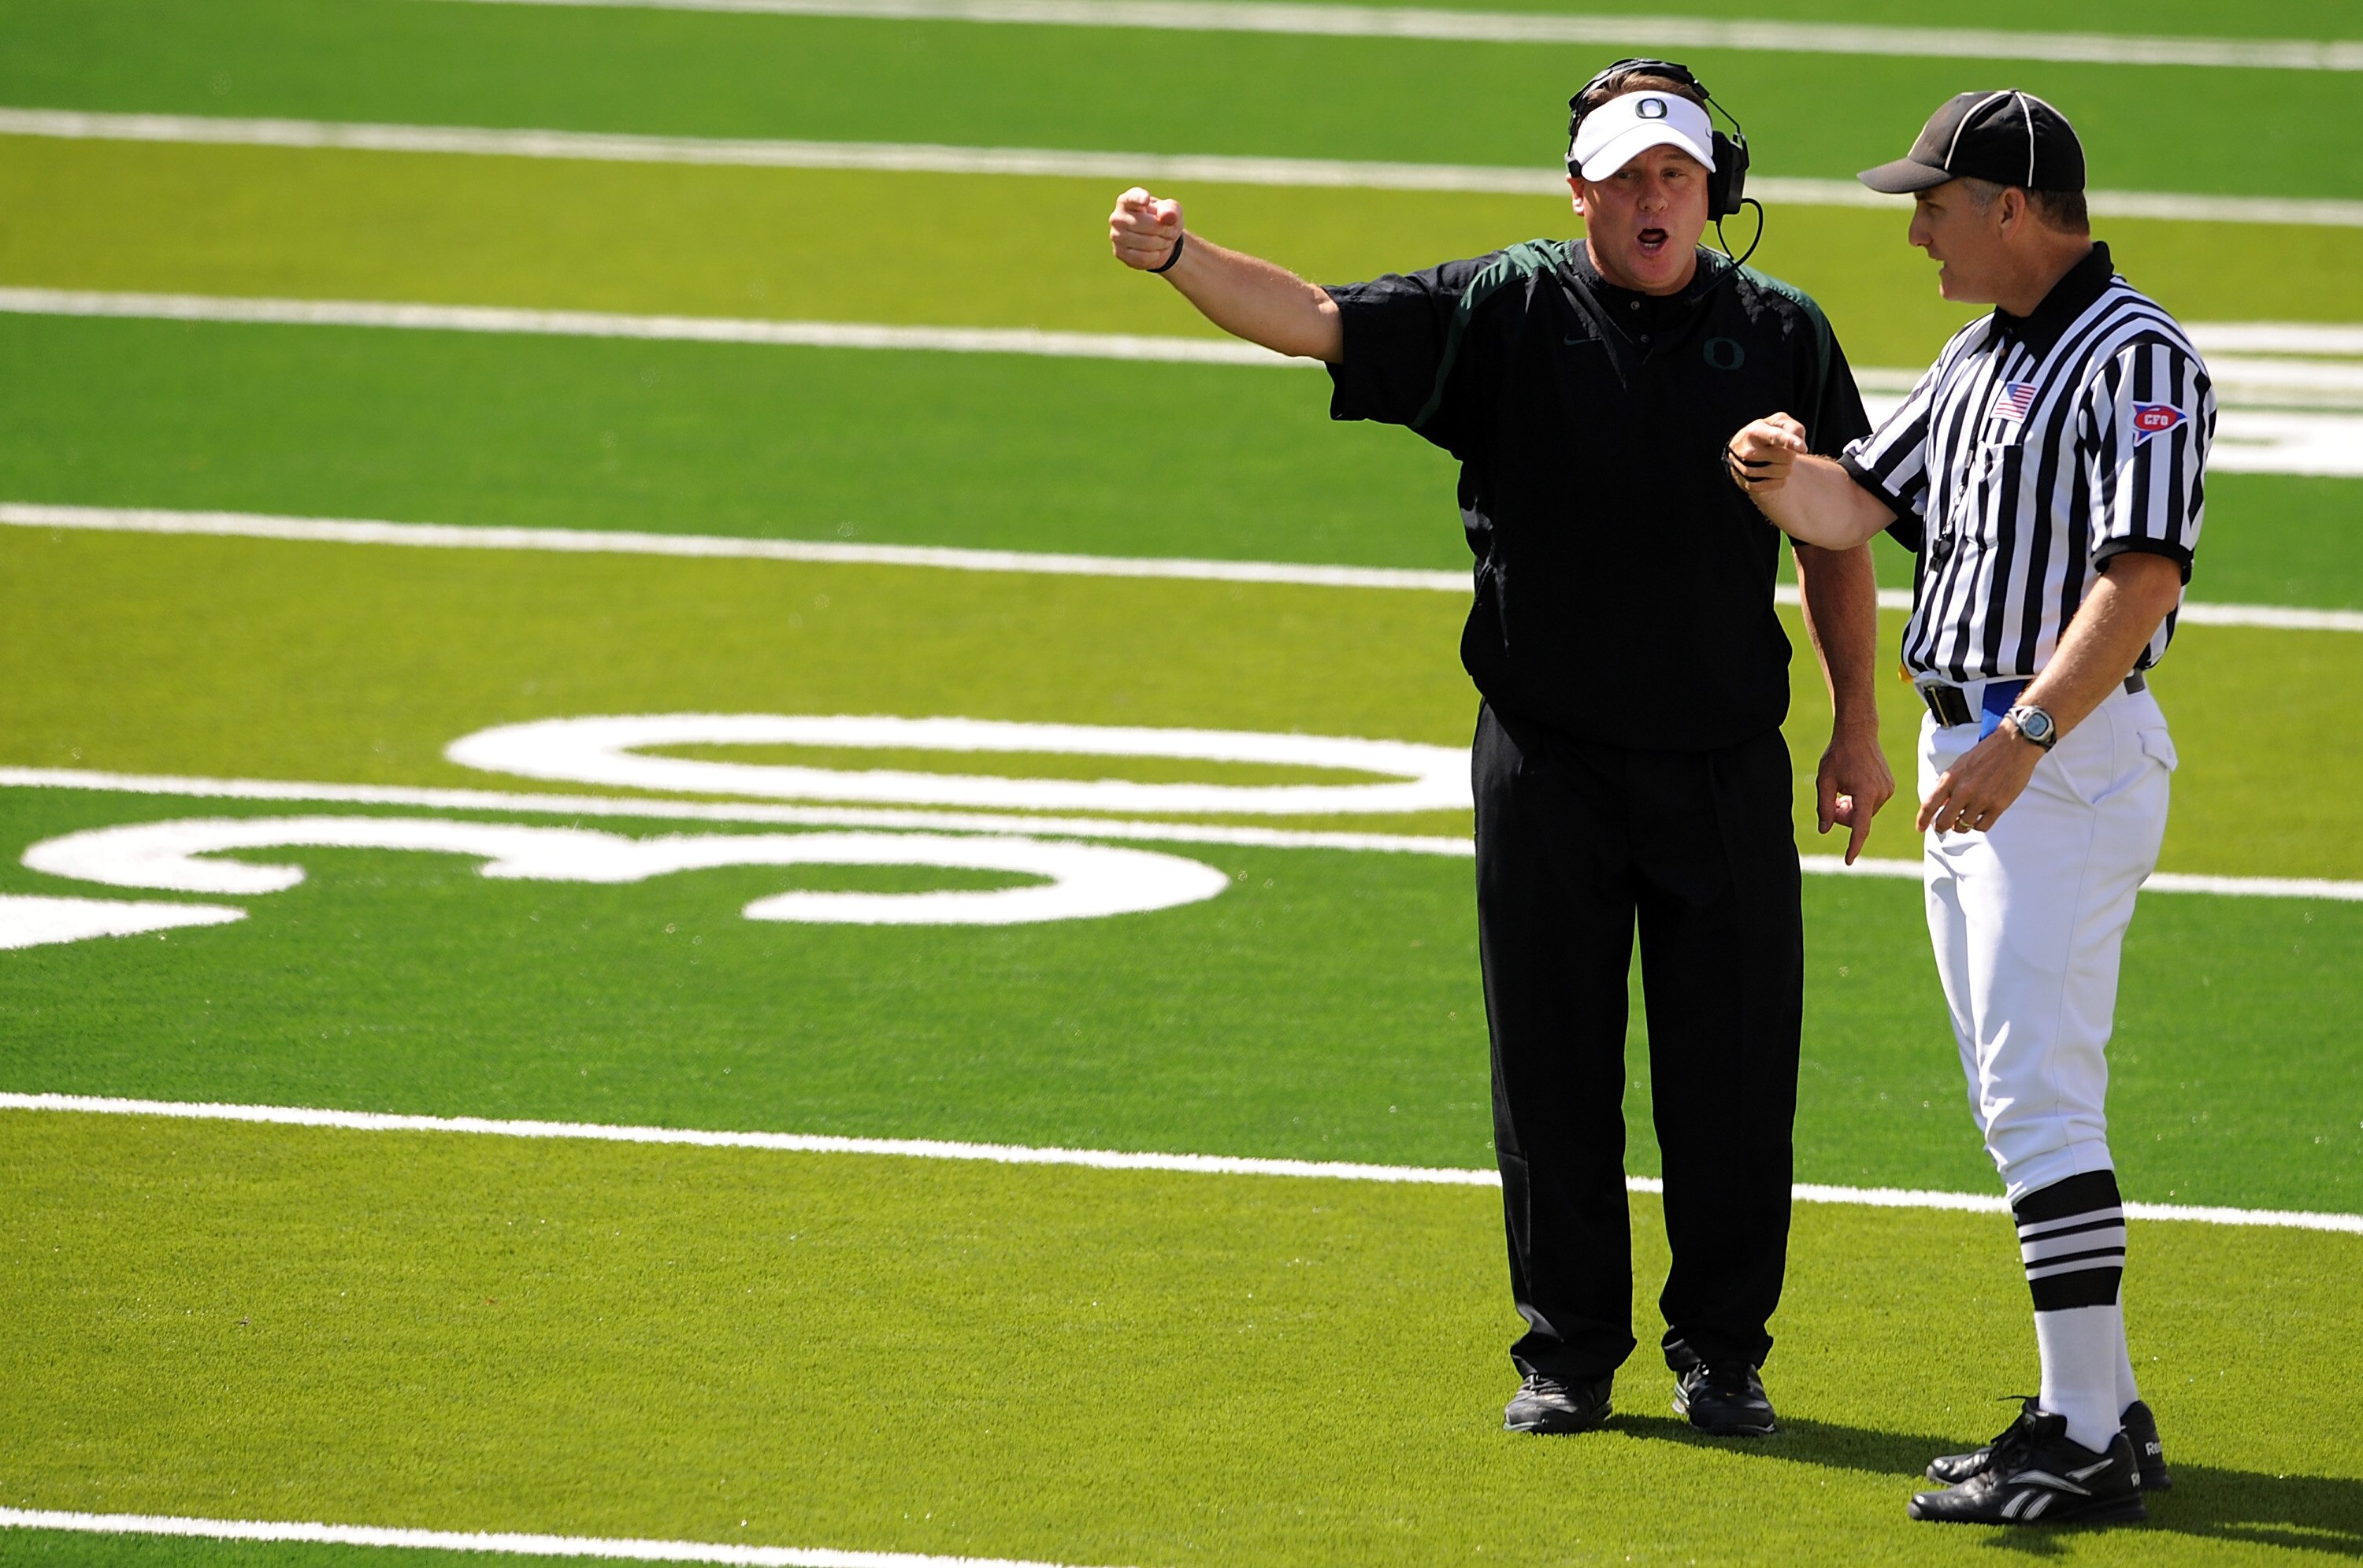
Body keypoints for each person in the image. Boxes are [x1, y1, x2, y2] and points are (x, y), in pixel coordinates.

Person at [1109, 58, 1894, 1437]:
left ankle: (1723, 1352)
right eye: (1629, 175)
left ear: (1717, 188)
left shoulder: (1782, 332)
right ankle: (1568, 1353)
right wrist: (1178, 256)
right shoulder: (1506, 308)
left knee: (1733, 1076)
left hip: (1722, 758)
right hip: (1547, 756)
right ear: (1578, 187)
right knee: (1551, 1064)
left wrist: (1857, 726)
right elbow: (1313, 320)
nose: (1655, 199)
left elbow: (1840, 536)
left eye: (1679, 175)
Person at [1726, 89, 2212, 1525]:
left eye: (1935, 201)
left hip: (2053, 760)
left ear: (2012, 206)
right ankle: (2096, 1410)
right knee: (2024, 1104)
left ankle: (2080, 1432)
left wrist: (2020, 737)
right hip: (1987, 763)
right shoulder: (1978, 357)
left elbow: (2142, 576)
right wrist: (1772, 473)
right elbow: (1851, 508)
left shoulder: (2137, 355)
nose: (1919, 226)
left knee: (2042, 1105)